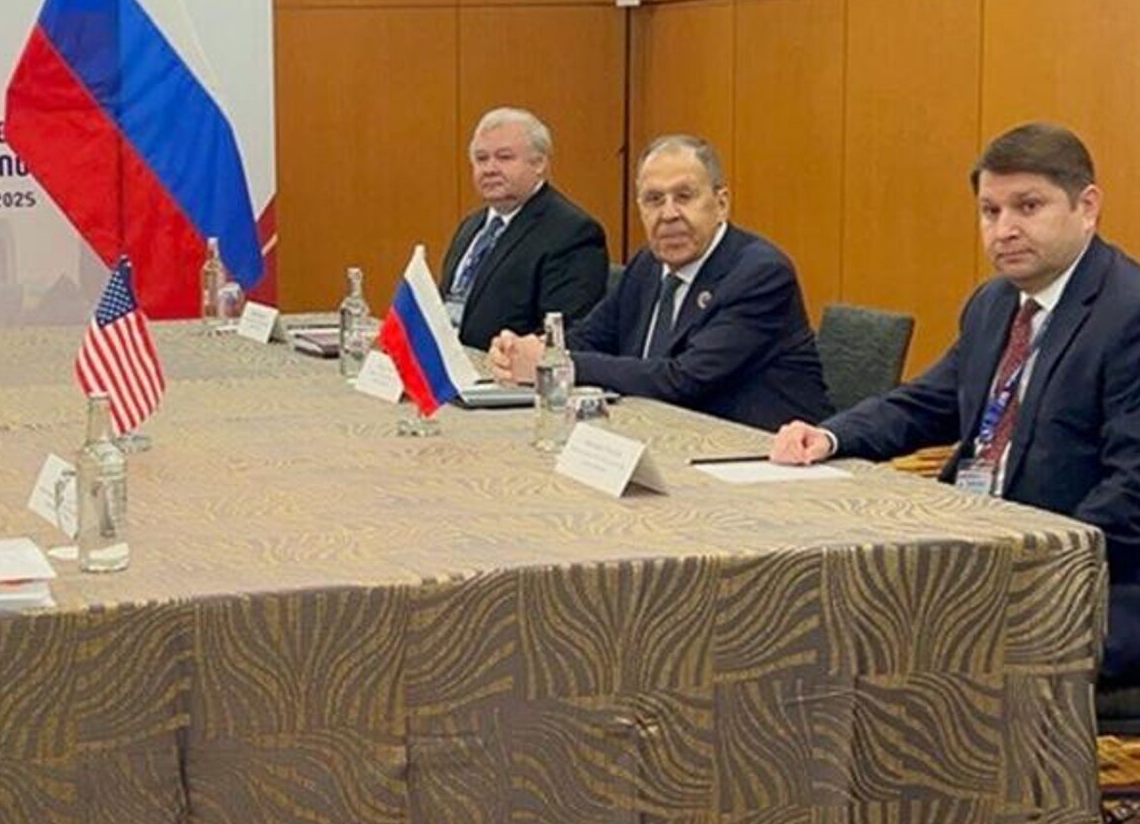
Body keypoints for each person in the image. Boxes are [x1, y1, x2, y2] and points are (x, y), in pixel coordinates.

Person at [772, 122, 1140, 685]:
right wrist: (829, 436)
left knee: (907, 648)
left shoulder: (1127, 312)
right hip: (977, 549)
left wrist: (1020, 570)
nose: (1004, 230)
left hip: (1089, 584)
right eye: (990, 211)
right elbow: (925, 402)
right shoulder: (994, 302)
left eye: (1028, 207)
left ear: (1086, 207)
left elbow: (1130, 494)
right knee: (820, 603)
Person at [489, 133, 831, 431]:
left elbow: (684, 380)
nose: (668, 214)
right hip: (664, 437)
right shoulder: (648, 264)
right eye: (654, 200)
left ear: (721, 204)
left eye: (684, 196)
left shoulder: (760, 273)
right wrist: (527, 350)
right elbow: (590, 338)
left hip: (764, 455)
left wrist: (558, 364)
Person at [441, 107, 609, 351]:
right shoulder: (471, 226)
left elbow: (562, 336)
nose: (489, 169)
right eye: (481, 159)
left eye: (504, 157)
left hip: (505, 369)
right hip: (447, 362)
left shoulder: (572, 233)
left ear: (539, 163)